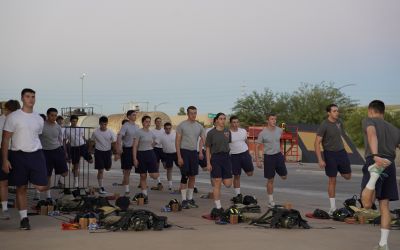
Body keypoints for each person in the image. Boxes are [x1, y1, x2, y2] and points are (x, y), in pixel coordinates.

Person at [2, 88, 48, 230]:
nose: (31, 99)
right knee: (21, 187)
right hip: (18, 155)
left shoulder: (39, 119)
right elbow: (5, 140)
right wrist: (5, 160)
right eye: (28, 96)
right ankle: (24, 219)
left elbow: (36, 136)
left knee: (41, 186)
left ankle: (34, 181)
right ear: (22, 98)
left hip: (36, 154)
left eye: (33, 96)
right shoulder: (13, 117)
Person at [360, 100, 399, 250]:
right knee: (385, 205)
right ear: (383, 112)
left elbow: (372, 134)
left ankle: (373, 176)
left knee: (367, 204)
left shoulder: (368, 120)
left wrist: (375, 155)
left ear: (371, 110)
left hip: (375, 161)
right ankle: (384, 244)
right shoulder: (395, 129)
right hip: (390, 164)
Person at [314, 104, 351, 214]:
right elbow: (316, 143)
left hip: (341, 152)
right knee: (332, 180)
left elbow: (340, 135)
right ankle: (332, 208)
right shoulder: (324, 125)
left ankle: (337, 168)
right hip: (330, 154)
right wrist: (320, 159)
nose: (336, 113)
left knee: (348, 176)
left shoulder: (339, 122)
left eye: (337, 111)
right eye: (334, 111)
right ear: (329, 113)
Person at [175, 106, 205, 209]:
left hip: (194, 153)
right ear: (188, 114)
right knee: (185, 176)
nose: (193, 115)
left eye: (195, 113)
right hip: (184, 152)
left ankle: (190, 198)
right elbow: (177, 141)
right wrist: (179, 156)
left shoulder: (199, 126)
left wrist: (203, 151)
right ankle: (183, 200)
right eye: (191, 113)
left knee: (193, 176)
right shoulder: (182, 125)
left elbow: (204, 139)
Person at [255, 113, 287, 208]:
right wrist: (258, 160)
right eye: (272, 119)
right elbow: (257, 147)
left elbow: (279, 140)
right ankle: (270, 200)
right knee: (270, 179)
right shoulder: (263, 133)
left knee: (284, 176)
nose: (274, 121)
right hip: (268, 157)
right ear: (267, 121)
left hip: (278, 156)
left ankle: (277, 169)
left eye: (275, 119)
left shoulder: (279, 130)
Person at [206, 113, 232, 216]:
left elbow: (228, 144)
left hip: (226, 158)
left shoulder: (227, 131)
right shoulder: (211, 133)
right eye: (221, 119)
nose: (223, 120)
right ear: (216, 120)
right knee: (217, 182)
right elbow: (207, 148)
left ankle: (216, 178)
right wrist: (208, 163)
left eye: (224, 119)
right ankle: (218, 207)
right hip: (216, 158)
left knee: (228, 184)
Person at [39, 108, 68, 200]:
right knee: (48, 175)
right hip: (45, 152)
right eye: (52, 115)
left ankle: (59, 179)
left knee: (65, 173)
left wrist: (64, 151)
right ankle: (48, 196)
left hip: (57, 150)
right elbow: (36, 139)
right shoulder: (41, 126)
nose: (54, 117)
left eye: (55, 115)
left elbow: (60, 140)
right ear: (47, 115)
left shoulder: (58, 127)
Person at [0, 100, 21, 220]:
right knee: (3, 182)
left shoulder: (17, 120)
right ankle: (4, 209)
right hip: (3, 151)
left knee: (20, 181)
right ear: (8, 110)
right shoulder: (1, 121)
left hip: (16, 152)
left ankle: (21, 207)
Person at [133, 115, 159, 203]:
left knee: (154, 176)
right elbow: (135, 146)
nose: (148, 123)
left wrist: (151, 146)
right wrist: (135, 158)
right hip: (141, 154)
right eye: (146, 121)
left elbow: (156, 140)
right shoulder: (138, 132)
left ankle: (156, 179)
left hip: (150, 153)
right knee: (143, 176)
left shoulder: (151, 133)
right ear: (143, 122)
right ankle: (145, 196)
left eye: (149, 121)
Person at [229, 116, 254, 202]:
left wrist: (249, 151)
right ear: (231, 123)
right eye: (234, 122)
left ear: (239, 123)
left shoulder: (243, 131)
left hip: (244, 153)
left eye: (237, 122)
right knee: (237, 175)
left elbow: (246, 141)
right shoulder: (227, 133)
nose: (235, 124)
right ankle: (238, 195)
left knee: (250, 173)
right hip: (234, 156)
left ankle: (244, 167)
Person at [64, 115, 93, 188]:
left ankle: (80, 159)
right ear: (70, 121)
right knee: (76, 166)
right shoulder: (67, 130)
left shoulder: (80, 128)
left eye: (75, 121)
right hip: (74, 148)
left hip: (82, 146)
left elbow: (82, 137)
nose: (74, 122)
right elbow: (64, 141)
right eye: (73, 121)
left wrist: (88, 143)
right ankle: (76, 182)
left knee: (91, 161)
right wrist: (66, 152)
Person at [90, 116, 117, 194]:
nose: (103, 126)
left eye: (105, 124)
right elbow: (92, 141)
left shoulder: (111, 132)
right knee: (100, 170)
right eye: (102, 124)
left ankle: (101, 185)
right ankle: (101, 187)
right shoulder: (95, 132)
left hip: (108, 152)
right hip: (98, 152)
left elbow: (114, 143)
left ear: (107, 124)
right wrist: (89, 150)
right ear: (99, 124)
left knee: (108, 168)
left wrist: (115, 152)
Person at [116, 110, 139, 195]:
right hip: (127, 149)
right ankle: (127, 189)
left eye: (135, 115)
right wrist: (119, 148)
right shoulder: (125, 126)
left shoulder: (137, 126)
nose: (135, 116)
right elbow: (119, 137)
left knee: (140, 168)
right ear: (128, 116)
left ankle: (142, 186)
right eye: (133, 115)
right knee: (127, 171)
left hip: (136, 149)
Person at [159, 122, 177, 191]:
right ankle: (170, 185)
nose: (168, 130)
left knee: (182, 168)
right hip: (167, 154)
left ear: (171, 128)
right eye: (166, 129)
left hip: (176, 153)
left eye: (169, 128)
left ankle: (184, 183)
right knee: (169, 169)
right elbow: (155, 144)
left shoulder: (175, 133)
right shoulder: (161, 136)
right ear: (164, 129)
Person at [151, 117, 165, 191]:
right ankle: (159, 182)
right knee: (157, 166)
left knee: (166, 166)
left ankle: (170, 183)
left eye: (160, 121)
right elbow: (151, 141)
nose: (159, 122)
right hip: (155, 149)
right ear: (155, 122)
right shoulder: (152, 131)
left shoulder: (164, 130)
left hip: (164, 149)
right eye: (157, 121)